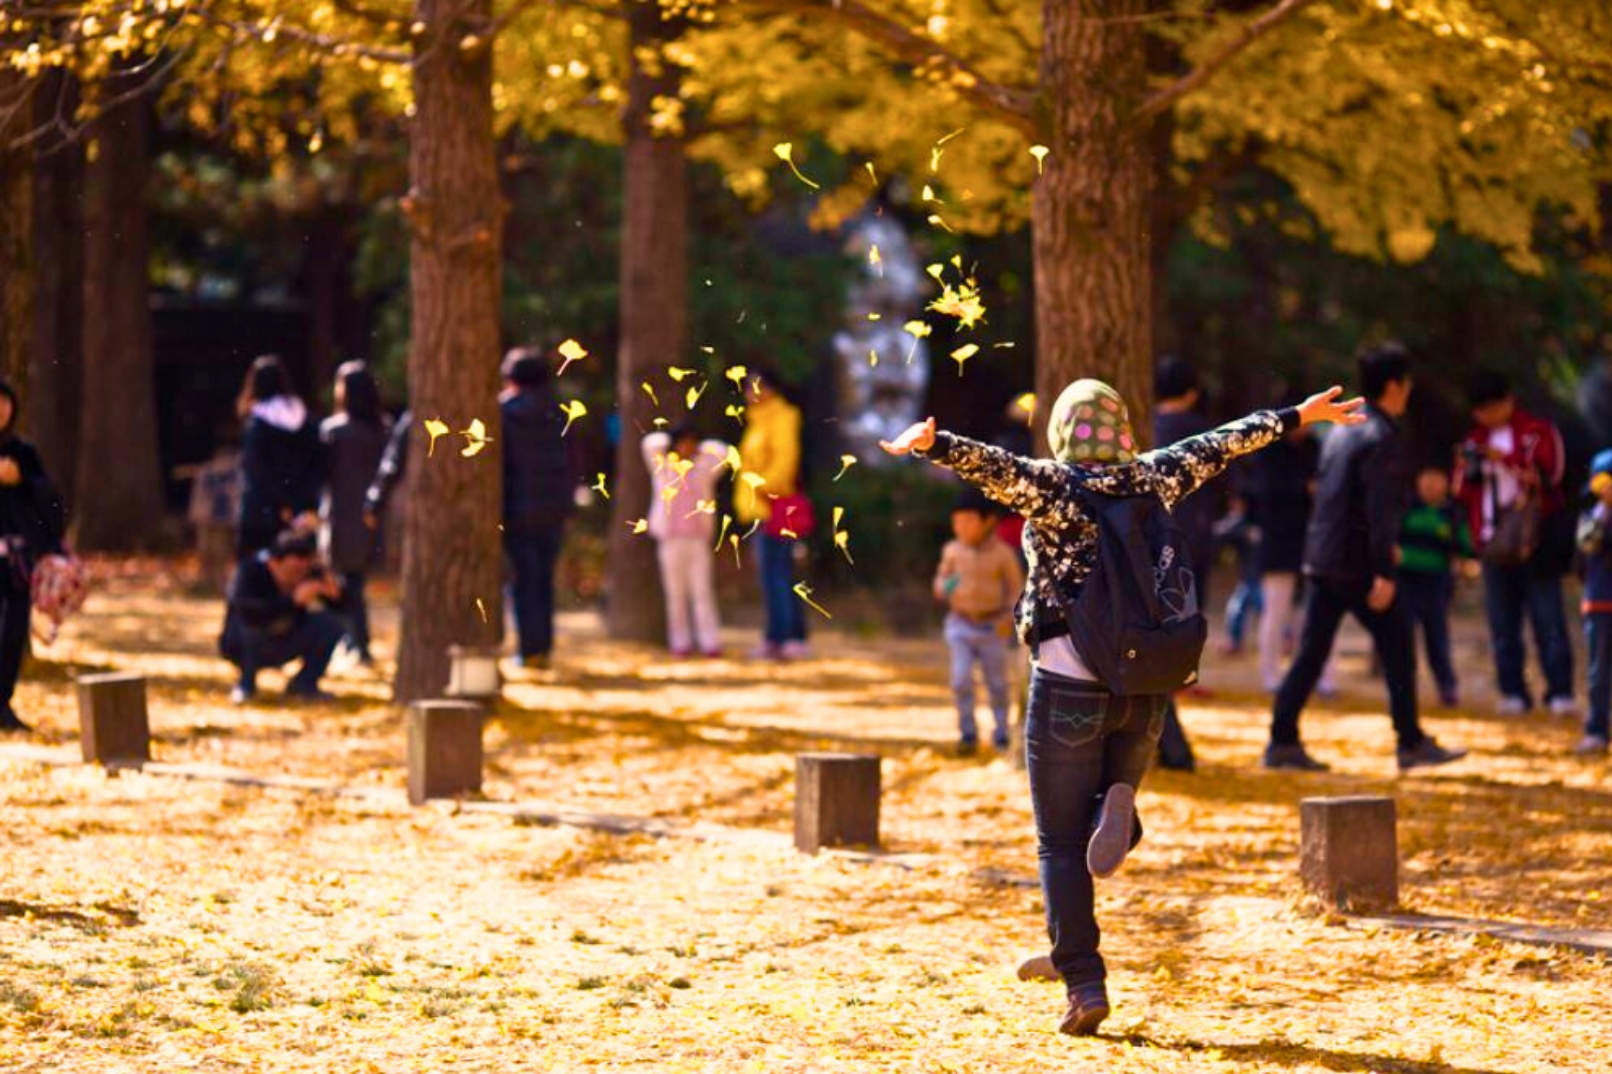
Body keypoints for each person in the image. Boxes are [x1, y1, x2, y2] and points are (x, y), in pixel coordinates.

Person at [880, 377, 1365, 1037]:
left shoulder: (1051, 486)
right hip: (1145, 688)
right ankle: (1120, 807)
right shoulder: (1156, 476)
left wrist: (933, 445)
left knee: (1058, 841)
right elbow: (1221, 444)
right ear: (1123, 429)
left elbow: (992, 467)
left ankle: (1083, 982)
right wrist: (1295, 416)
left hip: (1068, 681)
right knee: (1091, 819)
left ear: (1063, 433)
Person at [1264, 343, 1467, 772]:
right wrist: (1384, 570)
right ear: (1395, 385)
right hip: (1355, 563)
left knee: (1312, 652)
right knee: (1397, 645)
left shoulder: (1344, 428)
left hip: (1324, 556)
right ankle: (1409, 742)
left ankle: (1282, 740)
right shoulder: (1381, 435)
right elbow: (1377, 508)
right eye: (1407, 383)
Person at [1455, 372, 1575, 716]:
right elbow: (1461, 491)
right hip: (1492, 544)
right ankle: (1512, 692)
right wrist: (1470, 464)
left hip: (1535, 541)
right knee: (1502, 623)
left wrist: (1504, 460)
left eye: (1491, 408)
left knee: (1547, 619)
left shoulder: (1537, 432)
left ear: (1507, 401)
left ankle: (1560, 692)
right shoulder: (1474, 439)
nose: (1486, 417)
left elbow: (1552, 477)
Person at [1152, 356, 1217, 771]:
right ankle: (1171, 745)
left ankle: (1169, 744)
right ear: (1192, 391)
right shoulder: (1200, 432)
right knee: (1173, 648)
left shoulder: (1144, 429)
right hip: (1193, 549)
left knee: (1149, 644)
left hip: (1150, 549)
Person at [1246, 422, 1336, 697]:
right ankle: (1270, 675)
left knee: (1315, 614)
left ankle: (1320, 677)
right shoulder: (1268, 453)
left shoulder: (1315, 448)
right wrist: (1303, 489)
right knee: (1276, 610)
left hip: (1313, 540)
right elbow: (1263, 494)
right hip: (1278, 542)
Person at [934, 488, 1024, 753]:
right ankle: (967, 733)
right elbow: (941, 578)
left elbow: (1015, 588)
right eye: (957, 522)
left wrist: (1011, 615)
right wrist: (943, 586)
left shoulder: (1003, 553)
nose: (961, 527)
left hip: (992, 625)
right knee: (960, 679)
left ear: (988, 522)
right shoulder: (952, 550)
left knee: (996, 682)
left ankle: (1001, 732)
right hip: (960, 623)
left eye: (969, 521)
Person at [0, 380, 67, 734]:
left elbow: (50, 504)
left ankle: (2, 702)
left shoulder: (23, 452)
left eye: (5, 402)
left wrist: (21, 480)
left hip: (15, 561)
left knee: (11, 632)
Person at [501, 348, 574, 669]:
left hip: (517, 510)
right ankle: (542, 646)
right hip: (554, 510)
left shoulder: (504, 412)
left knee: (523, 582)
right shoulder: (559, 412)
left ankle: (528, 648)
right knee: (544, 581)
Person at [734, 368, 809, 660]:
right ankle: (787, 636)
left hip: (772, 507)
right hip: (759, 507)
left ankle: (783, 637)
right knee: (776, 574)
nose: (749, 393)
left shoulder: (781, 417)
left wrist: (762, 487)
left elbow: (784, 462)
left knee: (776, 575)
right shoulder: (757, 420)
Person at [219, 530, 344, 704]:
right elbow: (249, 613)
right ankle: (245, 684)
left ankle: (304, 684)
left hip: (283, 642)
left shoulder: (307, 575)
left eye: (302, 570)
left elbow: (345, 608)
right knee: (252, 626)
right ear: (274, 563)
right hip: (241, 645)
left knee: (331, 623)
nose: (297, 576)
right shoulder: (250, 571)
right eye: (292, 570)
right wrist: (292, 601)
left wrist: (333, 591)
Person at [320, 362, 392, 666]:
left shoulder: (334, 431)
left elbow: (321, 473)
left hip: (341, 515)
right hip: (373, 516)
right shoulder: (384, 429)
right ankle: (352, 640)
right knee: (354, 580)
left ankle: (356, 642)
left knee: (346, 581)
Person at [641, 423, 731, 657]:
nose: (687, 447)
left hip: (697, 540)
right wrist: (671, 440)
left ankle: (709, 642)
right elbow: (650, 443)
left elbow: (722, 451)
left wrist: (700, 449)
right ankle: (680, 642)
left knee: (702, 593)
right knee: (675, 595)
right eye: (682, 442)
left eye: (691, 442)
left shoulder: (703, 470)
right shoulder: (664, 469)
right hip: (670, 540)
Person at [1398, 464, 1475, 707]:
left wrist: (1465, 564)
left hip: (1436, 582)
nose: (1431, 484)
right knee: (1402, 637)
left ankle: (1447, 686)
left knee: (1437, 636)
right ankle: (1403, 687)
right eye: (1426, 477)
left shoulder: (1452, 514)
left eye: (1437, 478)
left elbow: (1464, 546)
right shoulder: (1407, 508)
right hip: (1406, 579)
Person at [236, 355, 324, 560]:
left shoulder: (256, 427)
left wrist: (280, 505)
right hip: (301, 513)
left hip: (262, 514)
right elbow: (317, 466)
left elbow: (258, 472)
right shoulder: (308, 423)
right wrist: (299, 504)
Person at [1575, 451, 1612, 755]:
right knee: (1599, 671)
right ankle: (1596, 728)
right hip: (1599, 602)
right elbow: (1587, 544)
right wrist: (1604, 511)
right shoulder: (1592, 516)